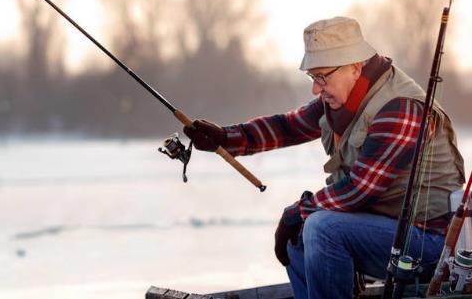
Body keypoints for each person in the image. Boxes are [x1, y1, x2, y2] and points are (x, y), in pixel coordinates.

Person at [183, 16, 465, 299]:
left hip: (433, 246)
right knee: (301, 236)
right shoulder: (345, 97)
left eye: (322, 77)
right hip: (392, 236)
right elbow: (289, 126)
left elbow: (359, 190)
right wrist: (225, 138)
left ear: (355, 67)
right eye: (312, 77)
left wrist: (297, 212)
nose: (315, 89)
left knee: (321, 227)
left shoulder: (401, 109)